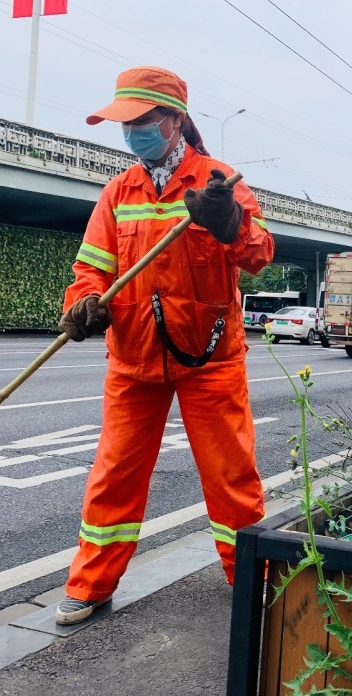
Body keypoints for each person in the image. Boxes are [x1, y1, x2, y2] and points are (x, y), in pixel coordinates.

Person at [54, 66, 274, 624]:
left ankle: (253, 579)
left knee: (231, 478)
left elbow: (260, 253)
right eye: (125, 125)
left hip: (209, 360)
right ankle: (91, 584)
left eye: (142, 122)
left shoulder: (218, 181)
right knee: (114, 474)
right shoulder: (119, 192)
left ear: (173, 120)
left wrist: (231, 224)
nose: (131, 134)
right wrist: (84, 304)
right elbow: (91, 268)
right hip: (133, 361)